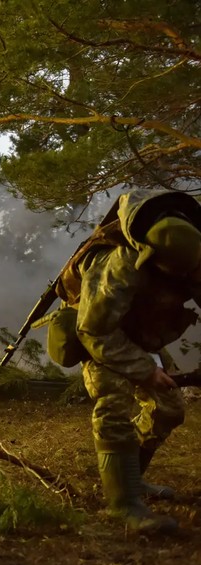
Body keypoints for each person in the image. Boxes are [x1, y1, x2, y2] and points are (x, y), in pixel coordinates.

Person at [65, 189, 201, 535]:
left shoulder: (191, 252)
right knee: (113, 406)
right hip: (102, 331)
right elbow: (95, 330)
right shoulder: (118, 266)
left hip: (143, 330)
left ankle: (132, 480)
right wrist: (145, 371)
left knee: (170, 409)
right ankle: (123, 505)